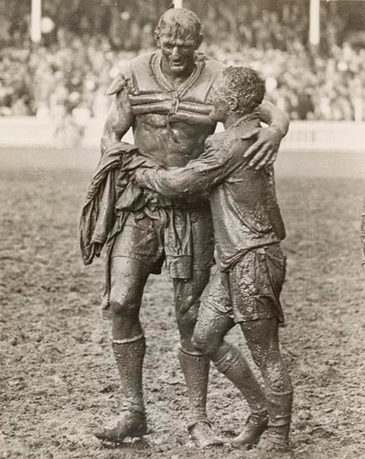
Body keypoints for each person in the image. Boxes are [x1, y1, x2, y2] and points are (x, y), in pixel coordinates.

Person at [87, 8, 290, 447]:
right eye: (169, 42)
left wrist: (279, 131)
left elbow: (269, 111)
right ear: (157, 37)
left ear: (199, 43)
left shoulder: (219, 77)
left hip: (194, 207)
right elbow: (110, 134)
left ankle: (198, 419)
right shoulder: (135, 74)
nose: (177, 51)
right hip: (140, 205)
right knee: (120, 302)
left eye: (187, 43)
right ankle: (132, 410)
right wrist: (129, 163)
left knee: (190, 316)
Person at [132, 66, 293, 457]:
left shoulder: (226, 146)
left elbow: (178, 184)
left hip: (252, 259)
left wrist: (139, 169)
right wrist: (279, 125)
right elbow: (263, 110)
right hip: (238, 258)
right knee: (204, 337)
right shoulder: (253, 131)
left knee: (265, 351)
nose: (209, 98)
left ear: (234, 103)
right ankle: (260, 411)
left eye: (217, 94)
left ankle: (279, 436)